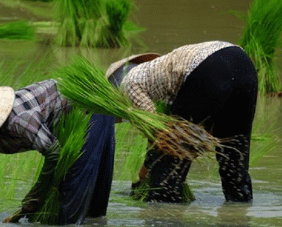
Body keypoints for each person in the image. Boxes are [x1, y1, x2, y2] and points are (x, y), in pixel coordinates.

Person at [0, 81, 116, 224]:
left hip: (89, 105)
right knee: (70, 205)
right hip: (63, 122)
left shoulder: (19, 120)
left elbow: (53, 153)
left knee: (75, 200)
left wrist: (30, 203)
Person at [106, 41, 257, 203]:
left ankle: (163, 221)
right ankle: (239, 217)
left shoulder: (129, 84)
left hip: (209, 68)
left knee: (166, 180)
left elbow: (159, 136)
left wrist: (143, 175)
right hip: (242, 64)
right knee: (235, 163)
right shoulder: (157, 73)